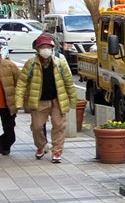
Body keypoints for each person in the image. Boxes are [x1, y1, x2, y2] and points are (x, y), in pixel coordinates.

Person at [15, 33, 79, 164]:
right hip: (39, 101)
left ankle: (57, 151)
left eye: (48, 47)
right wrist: (19, 101)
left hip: (57, 100)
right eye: (42, 47)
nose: (45, 50)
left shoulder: (60, 63)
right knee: (37, 127)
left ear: (52, 48)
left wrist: (73, 100)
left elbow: (68, 82)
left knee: (59, 126)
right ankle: (41, 146)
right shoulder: (31, 63)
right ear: (37, 49)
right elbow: (22, 83)